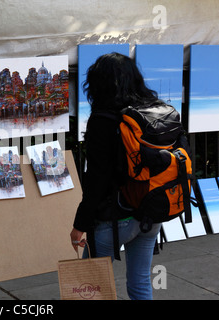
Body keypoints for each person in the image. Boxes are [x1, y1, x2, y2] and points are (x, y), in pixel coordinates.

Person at [70, 52, 162, 300]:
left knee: (91, 289)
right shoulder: (152, 113)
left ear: (98, 84)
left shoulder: (103, 120)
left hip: (114, 217)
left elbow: (97, 179)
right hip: (150, 212)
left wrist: (80, 224)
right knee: (141, 282)